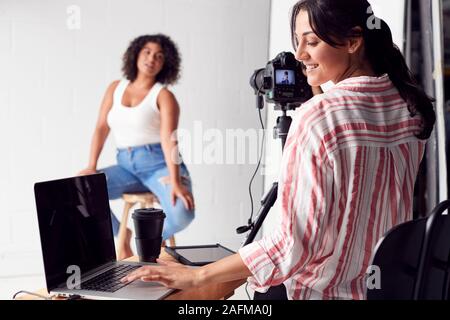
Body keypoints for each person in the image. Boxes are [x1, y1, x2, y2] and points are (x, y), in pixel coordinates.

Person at [121, 0, 436, 300]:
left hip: (317, 292)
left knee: (199, 298)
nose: (299, 54)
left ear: (353, 41)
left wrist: (198, 276)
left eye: (311, 42)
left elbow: (292, 247)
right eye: (297, 41)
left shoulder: (318, 117)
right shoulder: (409, 108)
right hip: (385, 291)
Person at [79, 34, 195, 260]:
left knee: (183, 214)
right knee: (82, 188)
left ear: (165, 64)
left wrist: (176, 180)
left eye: (159, 56)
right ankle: (122, 236)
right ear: (136, 54)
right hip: (126, 166)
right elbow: (101, 127)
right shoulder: (115, 88)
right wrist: (91, 166)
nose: (152, 58)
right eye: (147, 52)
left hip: (160, 164)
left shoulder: (163, 96)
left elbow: (169, 139)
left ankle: (152, 239)